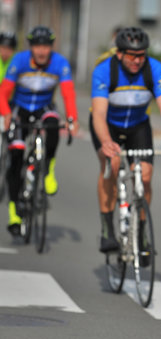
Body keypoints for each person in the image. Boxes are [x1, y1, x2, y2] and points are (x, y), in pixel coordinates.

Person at [90, 26, 161, 253]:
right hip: (108, 126)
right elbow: (99, 114)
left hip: (137, 126)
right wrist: (106, 142)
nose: (137, 61)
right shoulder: (104, 71)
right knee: (110, 165)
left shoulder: (154, 69)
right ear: (119, 53)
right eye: (132, 56)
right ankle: (107, 230)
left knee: (146, 174)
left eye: (142, 55)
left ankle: (140, 232)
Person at [0, 26, 79, 236]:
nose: (42, 51)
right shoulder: (19, 61)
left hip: (44, 108)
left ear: (51, 47)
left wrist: (72, 119)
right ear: (31, 47)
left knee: (53, 123)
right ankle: (14, 211)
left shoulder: (60, 63)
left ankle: (49, 169)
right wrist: (6, 113)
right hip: (20, 109)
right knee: (15, 154)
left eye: (46, 47)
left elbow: (68, 93)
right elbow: (4, 91)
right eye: (37, 46)